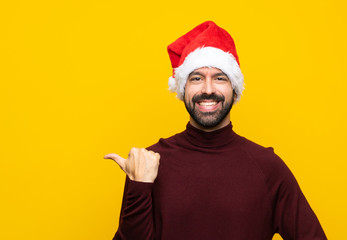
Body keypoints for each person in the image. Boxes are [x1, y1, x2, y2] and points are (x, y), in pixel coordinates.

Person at [104, 21, 327, 240]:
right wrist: (139, 186)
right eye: (196, 78)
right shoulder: (149, 164)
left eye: (219, 78)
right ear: (183, 89)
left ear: (234, 88)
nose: (208, 89)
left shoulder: (267, 167)